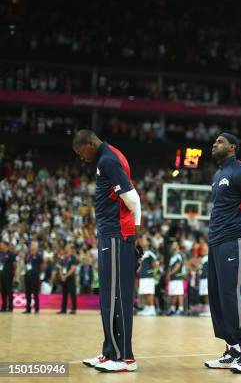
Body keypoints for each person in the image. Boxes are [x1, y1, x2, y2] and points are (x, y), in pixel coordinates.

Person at [73, 130, 142, 373]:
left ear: (90, 143)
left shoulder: (108, 160)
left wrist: (136, 234)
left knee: (116, 297)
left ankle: (124, 358)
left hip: (116, 235)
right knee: (108, 297)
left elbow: (134, 199)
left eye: (81, 152)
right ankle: (110, 352)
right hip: (112, 234)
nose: (82, 158)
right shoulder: (108, 157)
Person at [203, 133, 241, 374]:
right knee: (217, 296)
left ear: (232, 147)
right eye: (214, 141)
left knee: (232, 295)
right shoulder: (217, 175)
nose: (214, 144)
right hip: (215, 241)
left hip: (233, 240)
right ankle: (233, 348)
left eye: (219, 141)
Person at [137, 237, 158, 316]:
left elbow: (154, 264)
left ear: (148, 243)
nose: (142, 241)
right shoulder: (144, 253)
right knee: (145, 292)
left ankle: (152, 308)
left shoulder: (150, 252)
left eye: (144, 240)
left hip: (148, 275)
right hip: (143, 276)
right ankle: (147, 307)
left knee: (149, 292)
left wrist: (153, 272)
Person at [24, 241, 44, 314]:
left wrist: (38, 272)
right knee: (27, 293)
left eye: (33, 246)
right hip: (27, 276)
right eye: (31, 246)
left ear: (36, 248)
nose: (31, 247)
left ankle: (36, 308)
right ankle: (28, 308)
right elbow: (26, 264)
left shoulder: (39, 256)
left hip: (35, 276)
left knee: (35, 293)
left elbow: (42, 266)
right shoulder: (27, 256)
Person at [57, 245, 78, 315]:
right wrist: (62, 275)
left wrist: (65, 276)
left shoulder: (73, 258)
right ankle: (63, 309)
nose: (66, 250)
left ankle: (74, 309)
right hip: (64, 278)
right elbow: (60, 267)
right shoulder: (63, 258)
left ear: (71, 250)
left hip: (70, 278)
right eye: (65, 248)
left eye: (67, 249)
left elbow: (73, 269)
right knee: (64, 294)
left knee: (72, 293)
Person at [166, 241, 185, 316]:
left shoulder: (179, 254)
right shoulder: (173, 255)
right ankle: (173, 308)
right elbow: (171, 266)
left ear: (178, 246)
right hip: (173, 277)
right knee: (174, 293)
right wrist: (169, 274)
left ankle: (181, 309)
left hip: (177, 276)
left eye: (174, 244)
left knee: (179, 293)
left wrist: (169, 274)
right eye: (172, 244)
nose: (172, 245)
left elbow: (178, 266)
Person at [0, 241, 17, 312]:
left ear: (6, 246)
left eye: (1, 245)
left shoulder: (11, 254)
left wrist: (12, 273)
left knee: (9, 291)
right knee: (2, 291)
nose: (0, 246)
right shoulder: (0, 254)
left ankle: (10, 307)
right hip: (1, 275)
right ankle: (3, 307)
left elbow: (15, 265)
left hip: (8, 275)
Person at [198, 243, 210, 317]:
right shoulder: (203, 257)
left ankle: (209, 311)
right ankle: (207, 310)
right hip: (203, 277)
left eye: (204, 248)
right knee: (204, 294)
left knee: (206, 293)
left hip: (206, 277)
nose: (203, 249)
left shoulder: (209, 256)